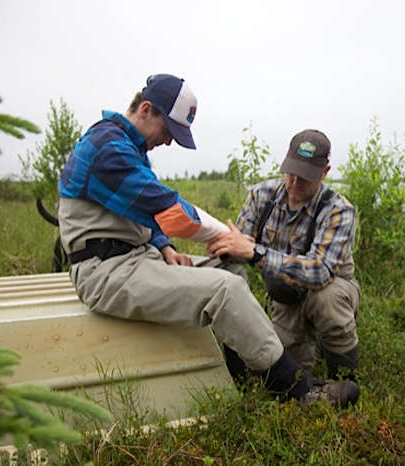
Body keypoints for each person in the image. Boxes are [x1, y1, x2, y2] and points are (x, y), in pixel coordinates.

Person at [56, 74, 359, 408]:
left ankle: (239, 371)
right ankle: (298, 391)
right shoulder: (108, 149)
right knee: (223, 289)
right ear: (146, 109)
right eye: (169, 132)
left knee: (228, 268)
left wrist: (165, 247)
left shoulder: (127, 147)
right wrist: (225, 236)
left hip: (135, 258)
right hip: (106, 272)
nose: (169, 142)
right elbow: (166, 207)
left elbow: (138, 211)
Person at [207, 129, 360, 381]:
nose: (295, 183)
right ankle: (313, 346)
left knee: (327, 301)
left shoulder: (338, 210)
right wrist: (220, 244)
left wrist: (256, 253)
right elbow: (238, 249)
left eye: (306, 177)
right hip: (286, 299)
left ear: (325, 173)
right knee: (289, 375)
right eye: (291, 172)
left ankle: (345, 379)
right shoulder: (262, 196)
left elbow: (320, 271)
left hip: (330, 289)